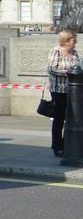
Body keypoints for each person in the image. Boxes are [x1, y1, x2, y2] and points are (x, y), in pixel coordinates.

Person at [46, 29, 80, 158]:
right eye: (73, 39)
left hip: (73, 92)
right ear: (66, 41)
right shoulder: (56, 51)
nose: (75, 42)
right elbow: (51, 69)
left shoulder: (75, 53)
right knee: (59, 119)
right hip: (58, 90)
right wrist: (67, 72)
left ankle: (68, 145)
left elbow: (79, 67)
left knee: (72, 119)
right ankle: (57, 146)